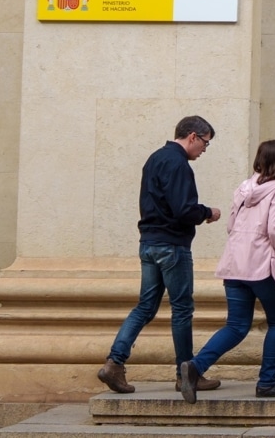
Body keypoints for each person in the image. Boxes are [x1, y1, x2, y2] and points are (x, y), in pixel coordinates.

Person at [98, 116, 223, 395]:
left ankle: (114, 363)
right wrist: (207, 213)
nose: (204, 149)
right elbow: (183, 209)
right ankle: (186, 374)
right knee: (182, 309)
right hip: (172, 246)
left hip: (149, 243)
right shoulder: (179, 164)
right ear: (192, 136)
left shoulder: (155, 158)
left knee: (145, 307)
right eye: (205, 143)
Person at [179, 140, 275, 402]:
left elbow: (230, 226)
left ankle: (194, 367)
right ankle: (267, 383)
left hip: (235, 266)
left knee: (237, 326)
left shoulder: (243, 187)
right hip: (263, 267)